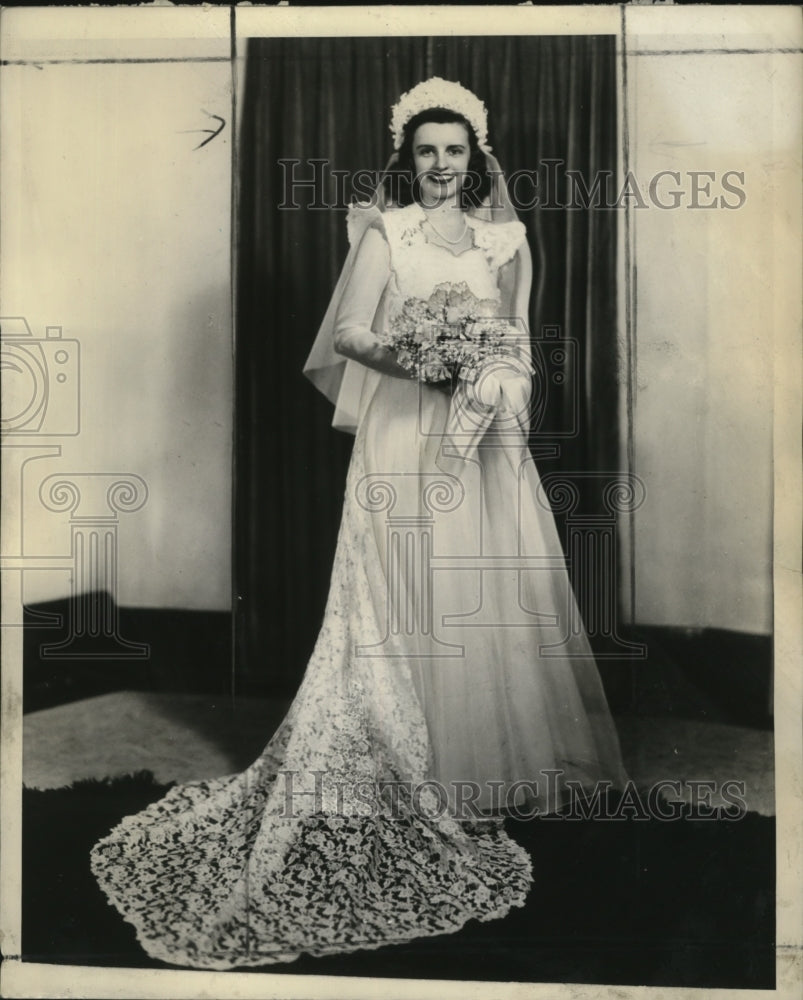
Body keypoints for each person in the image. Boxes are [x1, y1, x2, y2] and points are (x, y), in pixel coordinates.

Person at [90, 77, 628, 971]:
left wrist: (497, 381)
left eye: (455, 152)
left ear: (477, 157)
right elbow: (346, 334)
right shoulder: (386, 232)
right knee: (401, 589)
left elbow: (520, 337)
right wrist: (427, 355)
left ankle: (473, 776)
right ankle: (392, 772)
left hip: (481, 436)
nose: (441, 168)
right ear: (405, 160)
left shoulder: (507, 239)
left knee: (478, 588)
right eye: (426, 152)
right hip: (401, 434)